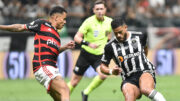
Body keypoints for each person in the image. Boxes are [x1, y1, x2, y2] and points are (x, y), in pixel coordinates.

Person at [0, 6, 75, 101]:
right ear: (56, 17)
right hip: (43, 66)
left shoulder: (56, 35)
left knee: (60, 98)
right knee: (65, 90)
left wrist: (65, 47)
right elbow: (19, 27)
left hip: (52, 68)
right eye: (64, 19)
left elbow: (53, 53)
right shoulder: (42, 24)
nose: (65, 22)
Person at [100, 17, 166, 101]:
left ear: (125, 27)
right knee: (129, 97)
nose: (118, 35)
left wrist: (143, 61)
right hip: (128, 78)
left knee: (145, 89)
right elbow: (102, 66)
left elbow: (145, 48)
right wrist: (111, 71)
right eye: (115, 33)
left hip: (144, 70)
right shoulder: (109, 47)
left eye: (120, 32)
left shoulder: (139, 36)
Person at [67, 0, 112, 101]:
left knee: (103, 75)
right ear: (93, 10)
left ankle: (86, 92)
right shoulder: (88, 22)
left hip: (99, 56)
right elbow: (76, 37)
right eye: (97, 9)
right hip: (85, 55)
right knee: (74, 82)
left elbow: (109, 35)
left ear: (105, 10)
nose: (99, 11)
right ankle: (62, 97)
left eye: (101, 9)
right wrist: (88, 44)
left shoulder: (109, 21)